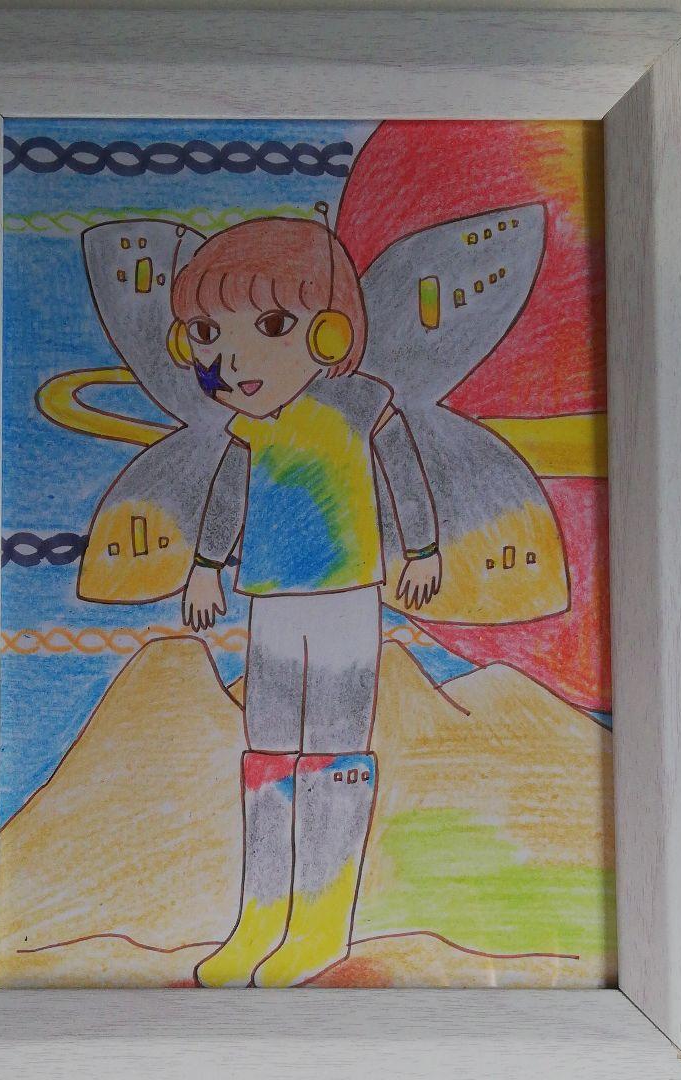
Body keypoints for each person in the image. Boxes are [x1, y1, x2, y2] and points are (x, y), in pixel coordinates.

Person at [168, 212, 442, 987]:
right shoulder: (249, 428)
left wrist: (422, 549)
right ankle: (261, 917)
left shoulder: (361, 404)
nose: (232, 360)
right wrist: (205, 565)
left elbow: (403, 473)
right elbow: (227, 498)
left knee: (333, 753)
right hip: (272, 606)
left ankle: (320, 925)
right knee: (268, 755)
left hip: (348, 601)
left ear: (328, 333)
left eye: (270, 327)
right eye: (208, 336)